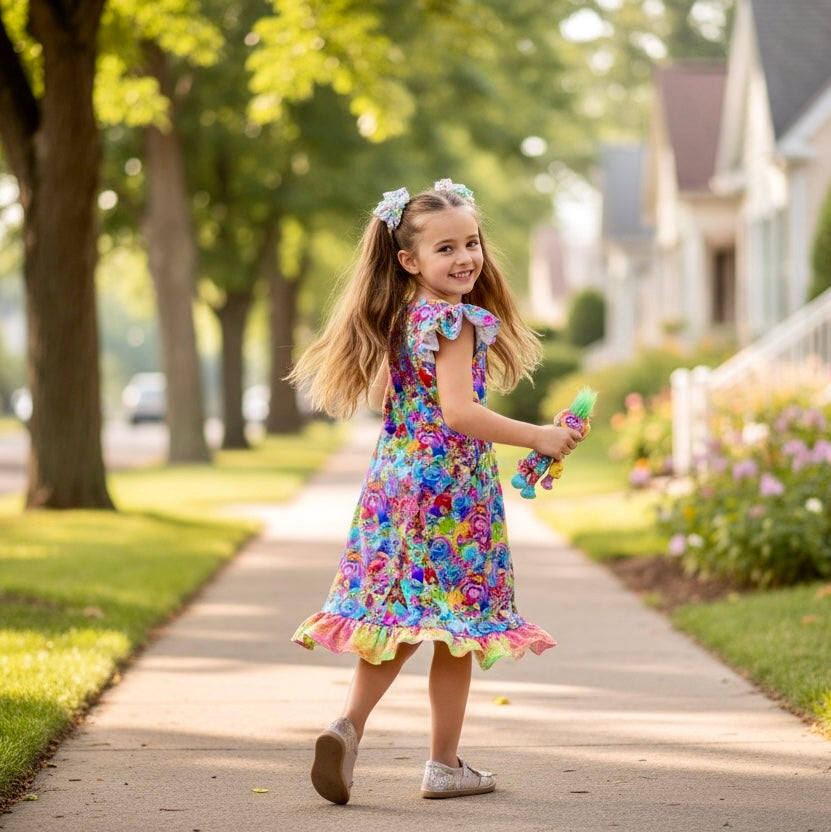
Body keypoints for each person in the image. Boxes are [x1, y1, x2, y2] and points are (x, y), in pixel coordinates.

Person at [289, 179, 583, 805]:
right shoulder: (454, 320)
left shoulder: (403, 318)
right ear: (409, 260)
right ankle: (442, 764)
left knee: (404, 619)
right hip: (451, 494)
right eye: (446, 248)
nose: (465, 258)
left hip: (397, 484)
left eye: (471, 242)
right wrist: (538, 437)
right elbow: (459, 413)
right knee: (459, 625)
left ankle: (349, 725)